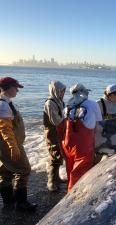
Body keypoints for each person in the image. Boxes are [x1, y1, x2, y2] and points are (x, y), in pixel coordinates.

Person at [0, 77, 37, 212]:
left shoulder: (5, 102)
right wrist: (13, 147)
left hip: (4, 146)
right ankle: (21, 203)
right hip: (9, 145)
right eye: (16, 88)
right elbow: (5, 129)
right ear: (9, 87)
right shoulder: (3, 105)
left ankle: (8, 201)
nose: (17, 90)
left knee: (5, 171)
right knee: (24, 169)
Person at [57, 83, 102, 192]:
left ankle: (69, 190)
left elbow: (62, 124)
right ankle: (73, 198)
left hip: (67, 143)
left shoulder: (67, 106)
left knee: (70, 169)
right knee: (79, 173)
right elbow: (99, 123)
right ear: (84, 92)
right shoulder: (92, 104)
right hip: (83, 145)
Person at [43, 81, 66, 192]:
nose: (63, 93)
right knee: (54, 155)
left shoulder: (60, 101)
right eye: (61, 91)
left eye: (64, 91)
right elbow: (56, 121)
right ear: (55, 91)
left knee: (59, 154)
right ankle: (51, 181)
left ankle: (56, 178)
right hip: (52, 133)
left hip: (59, 132)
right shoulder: (50, 103)